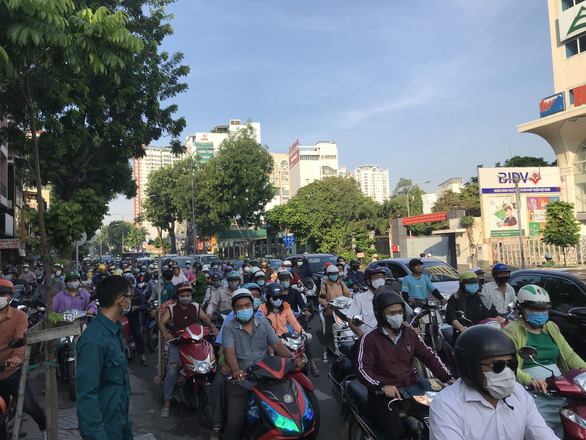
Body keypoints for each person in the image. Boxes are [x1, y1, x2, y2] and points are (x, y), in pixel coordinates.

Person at [429, 325, 557, 440]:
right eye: (497, 366)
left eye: (511, 364)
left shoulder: (518, 393)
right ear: (470, 367)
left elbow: (542, 434)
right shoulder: (447, 405)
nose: (506, 372)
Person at [357, 287, 452, 440]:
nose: (397, 316)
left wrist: (448, 378)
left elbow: (429, 356)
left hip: (413, 391)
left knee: (439, 423)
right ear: (380, 314)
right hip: (384, 397)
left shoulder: (410, 334)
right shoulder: (369, 339)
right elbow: (363, 369)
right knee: (395, 434)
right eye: (392, 313)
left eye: (400, 312)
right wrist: (382, 386)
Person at [504, 284, 586, 437]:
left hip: (560, 388)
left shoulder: (551, 327)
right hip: (532, 392)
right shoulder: (511, 331)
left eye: (544, 309)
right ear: (522, 308)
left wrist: (583, 368)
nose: (540, 313)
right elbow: (510, 365)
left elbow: (568, 355)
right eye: (534, 309)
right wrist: (529, 380)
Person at [221, 289, 303, 440]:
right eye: (239, 307)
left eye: (247, 305)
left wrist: (292, 358)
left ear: (253, 306)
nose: (244, 309)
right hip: (241, 382)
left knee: (286, 413)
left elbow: (277, 345)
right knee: (235, 424)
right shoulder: (229, 328)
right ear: (234, 310)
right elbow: (229, 351)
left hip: (265, 378)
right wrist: (236, 369)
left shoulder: (264, 323)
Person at [76, 276, 134, 439]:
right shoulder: (94, 341)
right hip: (105, 430)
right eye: (129, 297)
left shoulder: (114, 329)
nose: (130, 301)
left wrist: (126, 402)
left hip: (121, 420)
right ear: (121, 301)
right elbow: (87, 395)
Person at [209, 285, 266, 440]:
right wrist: (224, 363)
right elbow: (224, 347)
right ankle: (217, 423)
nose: (246, 307)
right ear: (235, 307)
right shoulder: (230, 321)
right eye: (240, 305)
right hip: (236, 368)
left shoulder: (262, 316)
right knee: (220, 383)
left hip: (258, 367)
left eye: (255, 297)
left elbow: (273, 344)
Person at [158, 282, 218, 417]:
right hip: (177, 344)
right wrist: (166, 333)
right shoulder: (171, 308)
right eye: (183, 295)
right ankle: (167, 401)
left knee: (211, 364)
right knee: (172, 370)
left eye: (188, 295)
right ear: (177, 296)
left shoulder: (196, 307)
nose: (186, 297)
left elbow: (206, 320)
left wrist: (213, 327)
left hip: (195, 343)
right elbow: (162, 323)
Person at [0, 279, 46, 440]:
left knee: (28, 405)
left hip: (12, 370)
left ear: (10, 296)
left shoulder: (19, 316)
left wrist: (16, 358)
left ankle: (44, 430)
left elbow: (21, 340)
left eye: (3, 294)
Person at [259, 283, 319, 377]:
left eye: (280, 297)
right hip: (271, 340)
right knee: (270, 357)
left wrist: (303, 333)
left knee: (303, 344)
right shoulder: (262, 309)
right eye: (275, 298)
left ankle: (313, 366)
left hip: (285, 338)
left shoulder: (286, 307)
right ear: (269, 297)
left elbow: (294, 322)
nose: (278, 300)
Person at [319, 264, 353, 362]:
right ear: (328, 275)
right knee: (328, 331)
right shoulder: (325, 285)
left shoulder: (341, 284)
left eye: (335, 274)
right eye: (332, 274)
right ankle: (325, 351)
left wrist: (352, 297)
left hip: (342, 311)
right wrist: (326, 303)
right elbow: (321, 298)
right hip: (330, 311)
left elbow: (348, 294)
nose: (334, 276)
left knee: (351, 326)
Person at [348, 265, 386, 337]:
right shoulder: (359, 298)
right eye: (377, 277)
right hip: (368, 340)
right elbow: (350, 320)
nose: (381, 280)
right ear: (368, 281)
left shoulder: (388, 297)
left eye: (382, 277)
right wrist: (361, 334)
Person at [123, 273, 149, 366]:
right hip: (122, 317)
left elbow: (145, 304)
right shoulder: (119, 293)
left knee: (138, 334)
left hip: (134, 316)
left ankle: (143, 357)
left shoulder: (137, 292)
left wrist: (137, 307)